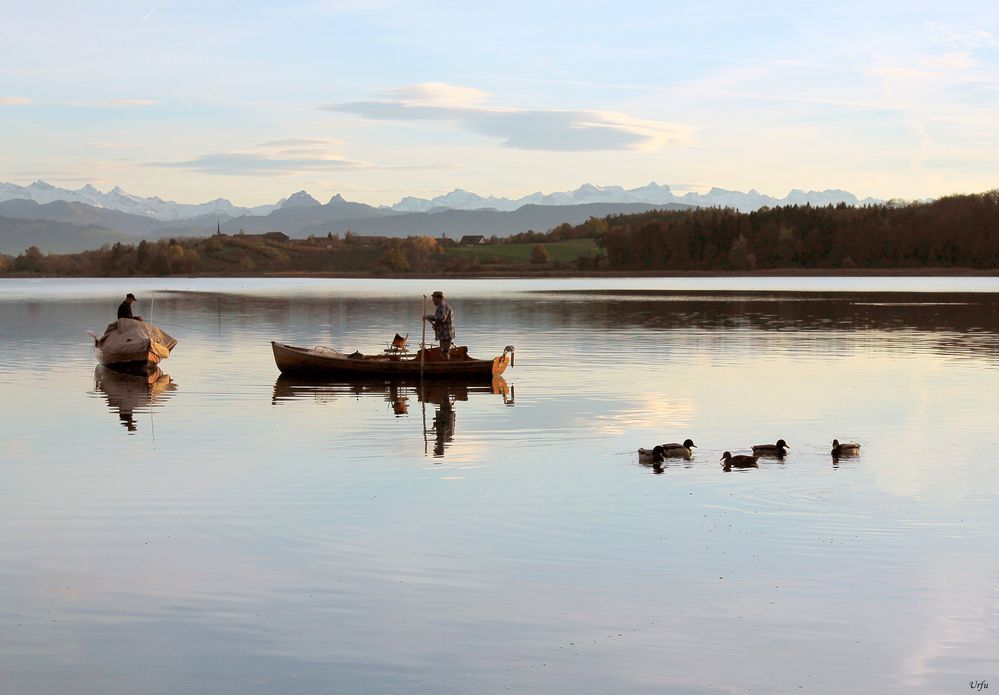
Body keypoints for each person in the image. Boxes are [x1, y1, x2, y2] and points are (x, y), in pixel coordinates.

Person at [424, 290, 455, 358]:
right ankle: (445, 363)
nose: (432, 300)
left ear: (438, 298)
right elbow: (441, 320)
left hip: (446, 333)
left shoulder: (443, 306)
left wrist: (429, 317)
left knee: (444, 352)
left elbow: (442, 318)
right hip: (443, 333)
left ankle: (446, 365)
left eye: (433, 298)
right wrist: (436, 325)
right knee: (443, 352)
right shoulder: (441, 306)